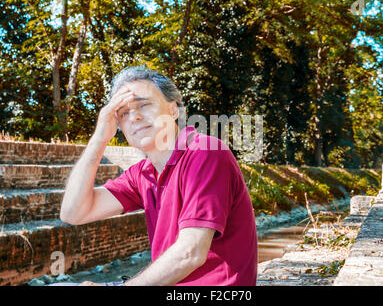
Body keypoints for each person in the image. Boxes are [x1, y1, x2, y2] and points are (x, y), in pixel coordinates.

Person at [58, 65, 258, 286]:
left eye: (144, 104)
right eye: (123, 113)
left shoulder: (204, 152)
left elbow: (191, 252)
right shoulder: (141, 174)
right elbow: (73, 213)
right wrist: (99, 138)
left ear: (174, 110)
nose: (133, 117)